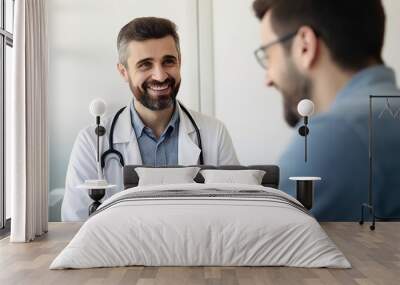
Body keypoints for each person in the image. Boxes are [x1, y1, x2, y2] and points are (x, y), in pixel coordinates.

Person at [62, 17, 239, 221]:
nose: (160, 76)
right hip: (120, 253)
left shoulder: (214, 134)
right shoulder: (92, 142)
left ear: (179, 62)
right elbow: (75, 222)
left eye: (168, 61)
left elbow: (234, 213)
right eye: (145, 65)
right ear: (124, 72)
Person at [252, 0, 400, 220]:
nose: (268, 78)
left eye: (268, 56)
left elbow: (260, 245)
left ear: (305, 45)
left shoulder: (336, 135)